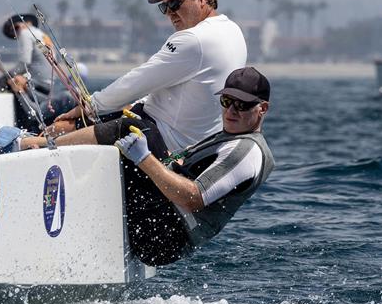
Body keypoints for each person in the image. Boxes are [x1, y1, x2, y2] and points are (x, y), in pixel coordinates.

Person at [0, 0, 248, 157]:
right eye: (164, 7)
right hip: (193, 139)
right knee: (99, 114)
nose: (170, 14)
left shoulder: (194, 39)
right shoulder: (233, 31)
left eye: (174, 4)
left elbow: (139, 80)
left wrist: (91, 106)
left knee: (82, 117)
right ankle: (30, 143)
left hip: (163, 137)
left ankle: (20, 145)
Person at [113, 67, 275, 266]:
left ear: (263, 108)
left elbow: (194, 198)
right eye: (226, 102)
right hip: (162, 219)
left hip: (164, 238)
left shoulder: (248, 152)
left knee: (130, 129)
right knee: (135, 121)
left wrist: (145, 158)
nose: (231, 111)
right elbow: (180, 162)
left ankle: (62, 148)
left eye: (242, 105)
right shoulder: (228, 138)